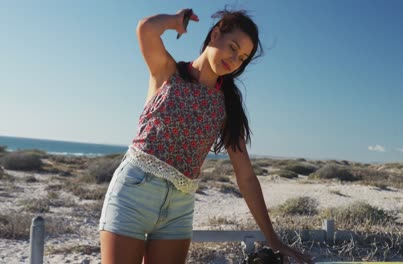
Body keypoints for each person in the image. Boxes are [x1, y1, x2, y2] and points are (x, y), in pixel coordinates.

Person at [99, 7, 315, 264]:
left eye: (242, 57)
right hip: (134, 192)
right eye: (233, 47)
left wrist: (272, 239)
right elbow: (146, 29)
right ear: (215, 35)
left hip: (180, 207)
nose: (235, 60)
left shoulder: (226, 106)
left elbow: (245, 176)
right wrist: (174, 22)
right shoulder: (168, 72)